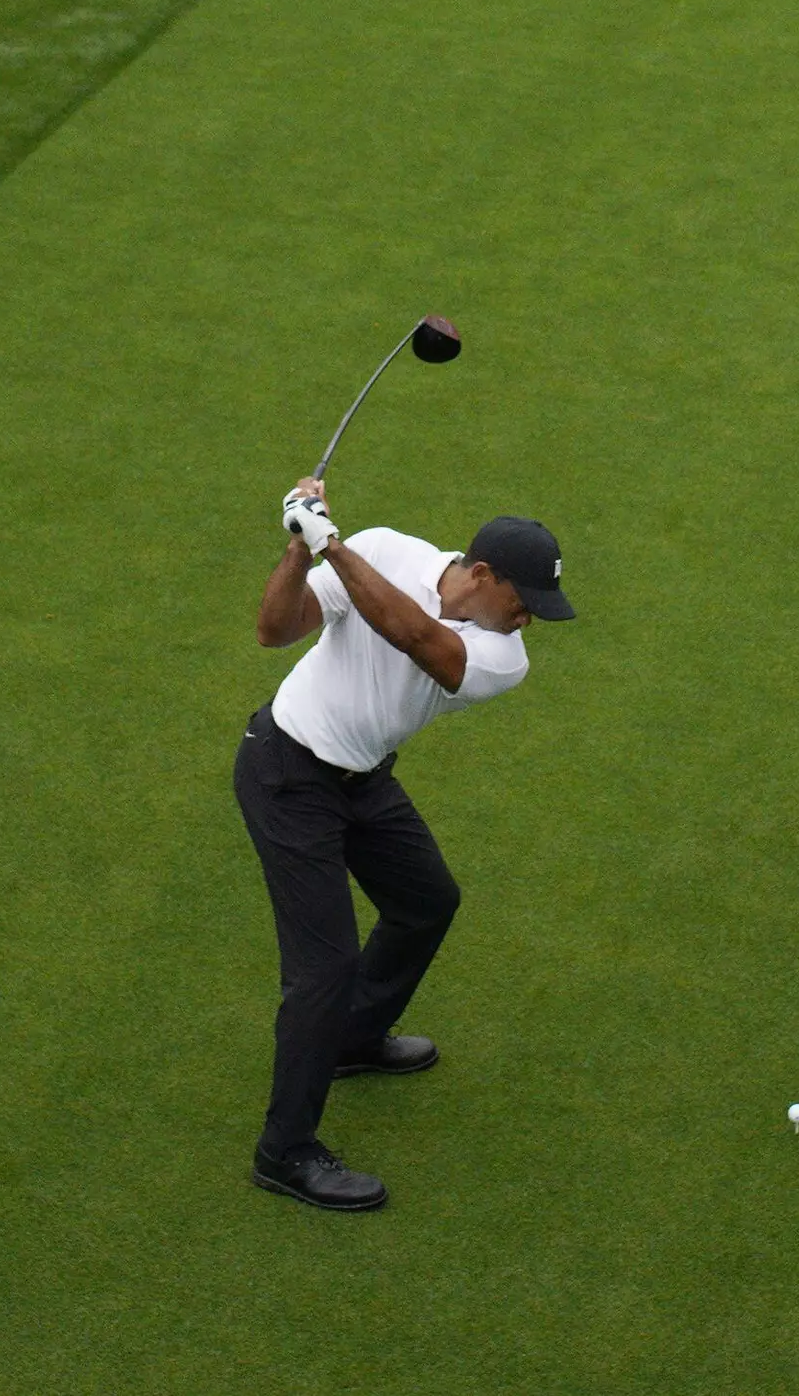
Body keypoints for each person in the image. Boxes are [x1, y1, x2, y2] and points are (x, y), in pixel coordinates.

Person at [238, 484, 573, 1213]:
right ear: (481, 575)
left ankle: (354, 1038)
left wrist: (331, 543)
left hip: (360, 777)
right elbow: (275, 630)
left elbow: (422, 641)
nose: (527, 621)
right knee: (323, 966)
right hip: (287, 771)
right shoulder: (387, 549)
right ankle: (284, 1151)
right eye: (523, 601)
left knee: (426, 901)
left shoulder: (501, 657)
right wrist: (299, 549)